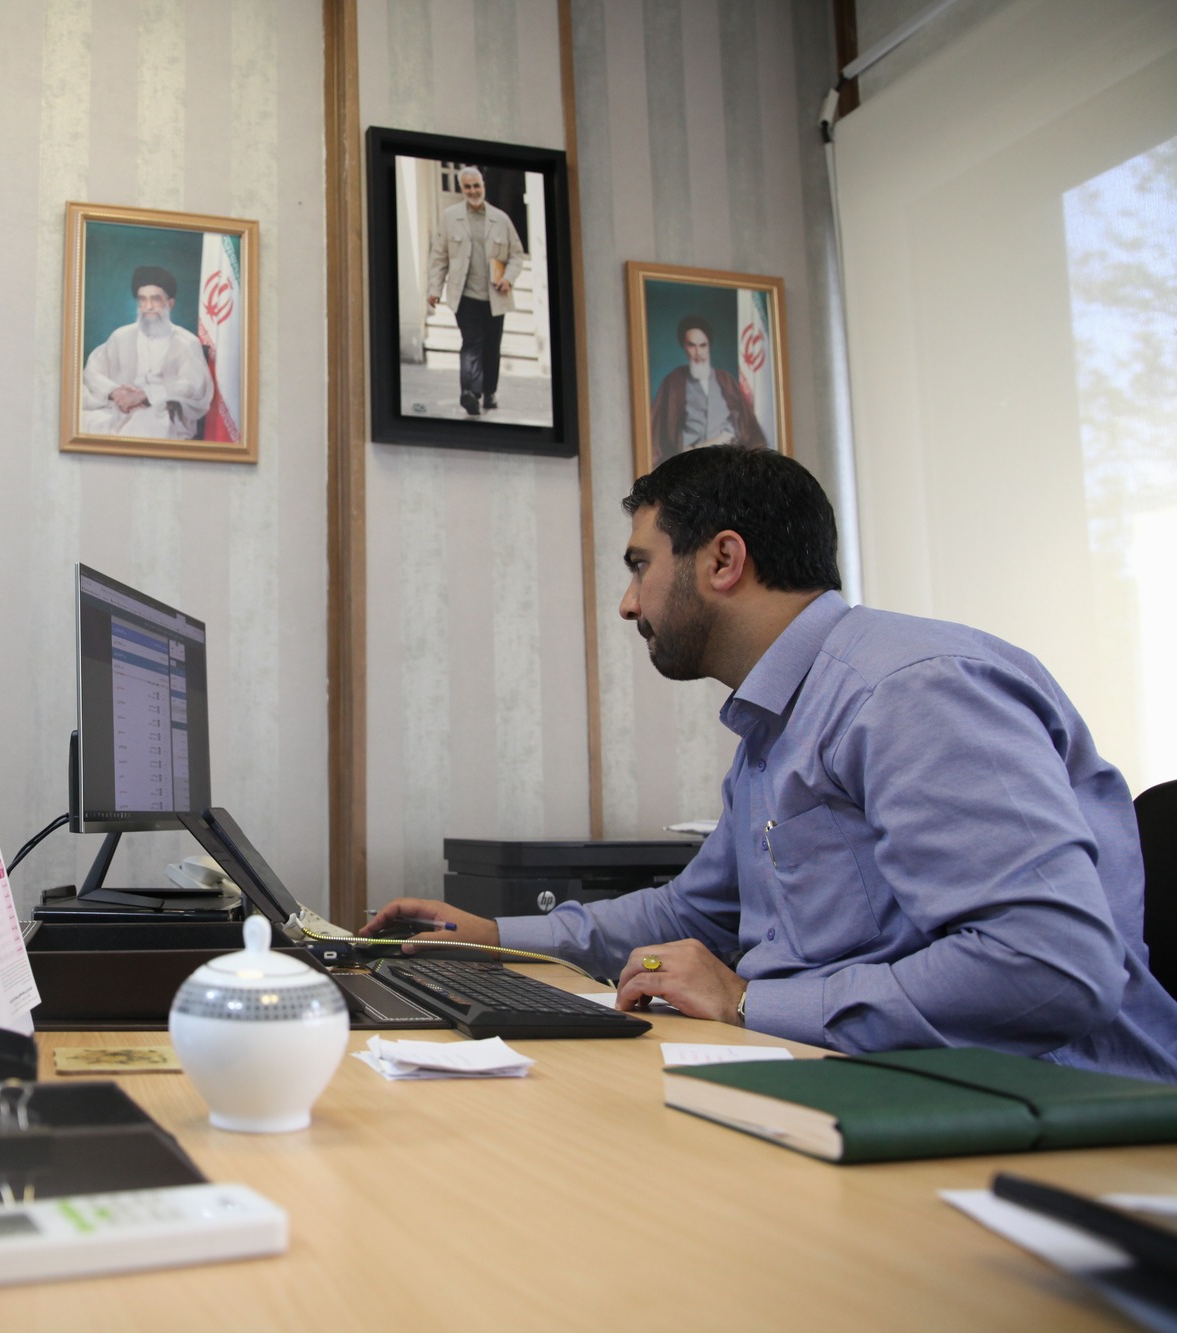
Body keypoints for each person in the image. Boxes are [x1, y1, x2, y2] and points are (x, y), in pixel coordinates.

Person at [372, 446, 1177, 1081]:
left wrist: (750, 999)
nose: (628, 603)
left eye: (640, 565)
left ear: (723, 560)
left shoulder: (908, 689)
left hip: (1050, 1116)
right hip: (865, 1077)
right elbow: (693, 913)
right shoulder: (777, 724)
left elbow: (1047, 964)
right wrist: (495, 936)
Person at [424, 166, 526, 417]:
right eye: (468, 187)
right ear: (462, 189)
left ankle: (489, 391)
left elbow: (516, 255)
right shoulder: (450, 217)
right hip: (465, 295)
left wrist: (508, 279)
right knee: (471, 343)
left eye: (476, 186)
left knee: (491, 346)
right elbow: (439, 256)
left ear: (483, 186)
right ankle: (470, 393)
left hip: (495, 296)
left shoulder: (501, 219)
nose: (473, 191)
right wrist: (435, 289)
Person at [80, 265, 214, 439]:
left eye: (155, 299)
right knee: (80, 421)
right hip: (118, 409)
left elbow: (193, 385)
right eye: (142, 300)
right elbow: (92, 372)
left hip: (160, 412)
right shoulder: (121, 336)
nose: (148, 306)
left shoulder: (186, 342)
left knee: (143, 424)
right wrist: (115, 391)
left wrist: (145, 395)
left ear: (170, 304)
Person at [647, 315, 764, 461]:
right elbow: (660, 432)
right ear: (684, 347)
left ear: (709, 346)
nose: (698, 352)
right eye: (692, 345)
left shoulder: (725, 380)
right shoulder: (673, 381)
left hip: (725, 460)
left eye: (703, 345)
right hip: (688, 461)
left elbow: (744, 426)